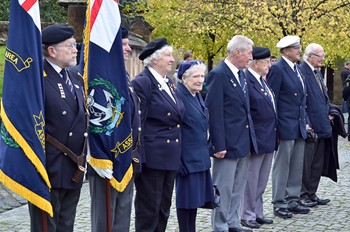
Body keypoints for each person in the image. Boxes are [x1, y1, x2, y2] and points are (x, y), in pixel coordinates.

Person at [28, 24, 88, 231]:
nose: (75, 50)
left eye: (75, 44)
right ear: (52, 51)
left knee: (66, 225)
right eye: (70, 45)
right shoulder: (36, 80)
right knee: (46, 226)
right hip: (49, 166)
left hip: (74, 166)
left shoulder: (74, 78)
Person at [88, 26, 140, 232]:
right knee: (104, 218)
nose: (128, 49)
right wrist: (97, 154)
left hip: (125, 155)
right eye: (124, 45)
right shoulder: (100, 76)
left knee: (122, 215)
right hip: (105, 155)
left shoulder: (123, 77)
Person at [131, 38, 185, 232]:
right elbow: (139, 123)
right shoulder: (143, 82)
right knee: (149, 209)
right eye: (168, 56)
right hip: (152, 158)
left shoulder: (168, 82)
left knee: (163, 208)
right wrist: (140, 157)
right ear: (154, 60)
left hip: (170, 155)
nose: (172, 60)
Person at [205, 35, 257, 232]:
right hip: (226, 143)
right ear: (238, 52)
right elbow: (215, 112)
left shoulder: (242, 74)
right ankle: (220, 225)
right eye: (249, 53)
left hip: (243, 141)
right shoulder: (219, 74)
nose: (251, 57)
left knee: (238, 187)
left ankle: (233, 222)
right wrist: (218, 145)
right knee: (223, 187)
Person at [267, 35, 310, 219]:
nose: (299, 50)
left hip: (298, 124)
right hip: (284, 124)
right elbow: (273, 99)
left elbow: (302, 100)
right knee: (282, 165)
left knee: (296, 164)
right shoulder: (277, 69)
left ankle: (292, 199)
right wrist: (275, 127)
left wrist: (305, 121)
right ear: (285, 51)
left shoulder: (297, 69)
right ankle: (279, 201)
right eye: (295, 48)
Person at [175, 60, 214, 232]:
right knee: (186, 202)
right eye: (196, 76)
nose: (200, 80)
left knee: (195, 202)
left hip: (199, 157)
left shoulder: (196, 94)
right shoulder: (179, 96)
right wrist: (179, 160)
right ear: (184, 78)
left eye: (202, 76)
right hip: (186, 159)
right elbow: (177, 130)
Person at [240, 47, 277, 229]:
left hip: (268, 137)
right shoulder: (248, 81)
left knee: (262, 180)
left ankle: (258, 212)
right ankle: (247, 214)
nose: (269, 65)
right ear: (256, 63)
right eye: (266, 62)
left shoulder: (263, 82)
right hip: (256, 138)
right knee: (251, 180)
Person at [299, 43, 332, 208]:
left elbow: (322, 98)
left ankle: (312, 193)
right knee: (307, 163)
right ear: (310, 56)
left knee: (317, 163)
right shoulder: (302, 72)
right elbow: (301, 101)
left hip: (322, 125)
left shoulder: (317, 73)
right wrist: (306, 122)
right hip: (310, 126)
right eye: (320, 55)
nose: (323, 58)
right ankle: (303, 194)